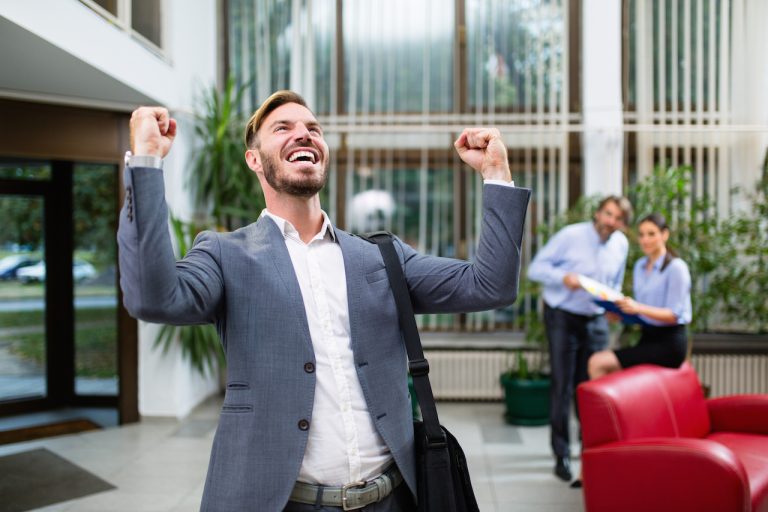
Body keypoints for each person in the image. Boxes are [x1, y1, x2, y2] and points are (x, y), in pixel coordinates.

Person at [118, 90, 531, 511]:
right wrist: (147, 161)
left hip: (392, 500)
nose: (304, 134)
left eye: (313, 128)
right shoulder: (226, 254)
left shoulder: (381, 258)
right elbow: (153, 297)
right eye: (283, 128)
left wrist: (496, 173)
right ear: (254, 160)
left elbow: (490, 285)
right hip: (282, 502)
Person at [527, 195, 632, 484]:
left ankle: (590, 453)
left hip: (596, 319)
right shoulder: (570, 235)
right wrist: (564, 277)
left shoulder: (621, 244)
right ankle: (561, 454)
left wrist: (614, 306)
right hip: (563, 316)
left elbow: (615, 283)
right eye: (608, 214)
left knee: (591, 388)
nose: (611, 222)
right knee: (562, 384)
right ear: (598, 213)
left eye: (618, 219)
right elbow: (535, 268)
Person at [588, 213, 691, 379]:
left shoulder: (676, 268)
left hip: (669, 344)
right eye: (641, 234)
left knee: (597, 362)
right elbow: (644, 312)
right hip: (647, 337)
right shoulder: (640, 266)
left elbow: (673, 315)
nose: (645, 240)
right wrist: (621, 314)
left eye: (651, 234)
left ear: (664, 235)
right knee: (610, 370)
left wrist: (637, 307)